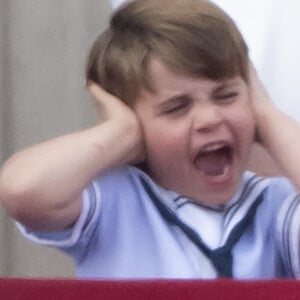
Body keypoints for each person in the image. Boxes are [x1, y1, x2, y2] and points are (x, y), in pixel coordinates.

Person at [0, 0, 300, 279]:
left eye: (227, 96)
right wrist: (122, 133)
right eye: (176, 107)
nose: (210, 119)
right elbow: (22, 189)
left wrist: (269, 118)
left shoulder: (273, 204)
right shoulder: (114, 201)